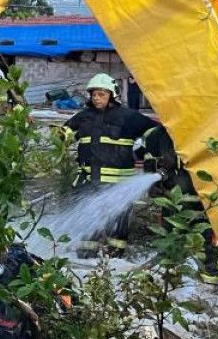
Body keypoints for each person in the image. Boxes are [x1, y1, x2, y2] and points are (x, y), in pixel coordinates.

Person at [61, 73, 158, 254]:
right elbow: (64, 133)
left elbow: (156, 133)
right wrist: (59, 135)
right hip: (89, 179)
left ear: (113, 95)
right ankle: (86, 255)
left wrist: (144, 153)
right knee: (88, 220)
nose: (96, 98)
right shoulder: (83, 116)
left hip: (120, 182)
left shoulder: (129, 117)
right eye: (94, 94)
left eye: (101, 94)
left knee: (118, 221)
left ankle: (115, 256)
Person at [141, 125, 218, 285]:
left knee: (205, 237)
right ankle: (172, 276)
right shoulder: (156, 134)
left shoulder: (206, 128)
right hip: (173, 199)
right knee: (171, 237)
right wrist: (153, 182)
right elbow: (149, 160)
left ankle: (209, 275)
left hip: (202, 197)